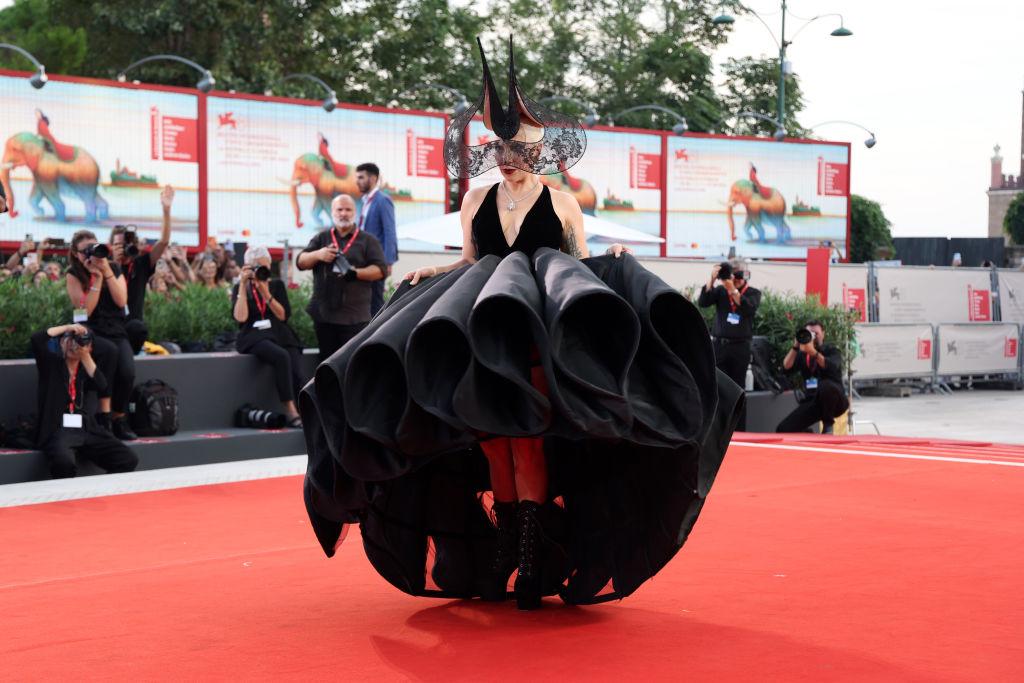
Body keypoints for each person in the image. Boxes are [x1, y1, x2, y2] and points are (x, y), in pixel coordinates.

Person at [300, 37, 741, 611]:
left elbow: (576, 271)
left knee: (527, 445)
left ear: (538, 151)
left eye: (518, 148)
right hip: (480, 339)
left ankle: (529, 563)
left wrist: (614, 266)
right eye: (500, 146)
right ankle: (504, 552)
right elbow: (469, 262)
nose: (507, 156)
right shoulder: (475, 198)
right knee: (492, 448)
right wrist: (430, 272)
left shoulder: (561, 202)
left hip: (536, 340)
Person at [31, 324, 138, 478]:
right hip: (58, 429)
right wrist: (68, 327)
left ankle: (99, 490)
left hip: (85, 427)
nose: (73, 344)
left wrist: (85, 355)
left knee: (127, 459)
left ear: (90, 348)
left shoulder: (85, 370)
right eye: (68, 339)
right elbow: (37, 339)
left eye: (79, 341)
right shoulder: (51, 364)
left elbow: (102, 385)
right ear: (61, 343)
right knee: (64, 463)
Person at [296, 194, 387, 362]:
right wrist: (318, 254)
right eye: (339, 209)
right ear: (332, 212)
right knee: (326, 364)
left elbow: (381, 270)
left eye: (348, 209)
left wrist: (355, 273)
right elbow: (300, 262)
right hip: (324, 316)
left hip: (355, 317)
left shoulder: (368, 240)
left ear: (355, 213)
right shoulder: (321, 238)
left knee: (351, 364)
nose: (343, 213)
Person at [65, 230, 137, 440]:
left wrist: (105, 270)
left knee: (127, 372)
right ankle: (103, 418)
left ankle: (119, 417)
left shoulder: (112, 267)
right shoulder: (74, 273)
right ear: (76, 253)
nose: (91, 253)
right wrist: (96, 279)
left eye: (94, 247)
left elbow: (121, 301)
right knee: (110, 353)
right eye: (85, 250)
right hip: (90, 330)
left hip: (115, 329)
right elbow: (84, 311)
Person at [231, 246, 305, 428]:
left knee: (295, 367)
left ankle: (306, 409)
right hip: (254, 335)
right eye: (258, 267)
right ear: (248, 267)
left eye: (266, 267)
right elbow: (241, 318)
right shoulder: (240, 287)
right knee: (281, 356)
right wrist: (243, 285)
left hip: (279, 332)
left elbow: (283, 316)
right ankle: (290, 410)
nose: (262, 271)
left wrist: (265, 292)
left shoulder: (276, 285)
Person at [109, 185, 174, 354]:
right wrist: (115, 264)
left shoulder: (141, 264)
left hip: (133, 328)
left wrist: (166, 210)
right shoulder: (104, 267)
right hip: (109, 327)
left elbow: (163, 242)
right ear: (111, 246)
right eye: (118, 245)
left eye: (126, 245)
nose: (123, 248)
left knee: (137, 328)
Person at [776, 319, 849, 434]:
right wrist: (796, 346)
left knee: (825, 385)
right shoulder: (803, 355)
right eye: (809, 333)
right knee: (783, 429)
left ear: (823, 334)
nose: (813, 337)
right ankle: (808, 434)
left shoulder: (831, 350)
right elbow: (786, 367)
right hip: (814, 402)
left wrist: (813, 352)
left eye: (816, 334)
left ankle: (828, 426)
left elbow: (831, 366)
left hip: (835, 402)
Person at [697, 259, 762, 388]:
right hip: (720, 346)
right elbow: (703, 302)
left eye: (738, 274)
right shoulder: (721, 290)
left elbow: (748, 308)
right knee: (718, 386)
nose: (734, 278)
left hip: (740, 347)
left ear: (745, 275)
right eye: (731, 274)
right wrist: (712, 279)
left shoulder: (753, 292)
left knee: (737, 387)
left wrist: (733, 289)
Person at [355, 162, 397, 316]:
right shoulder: (365, 201)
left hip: (376, 262)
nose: (357, 181)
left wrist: (388, 262)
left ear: (373, 178)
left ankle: (378, 330)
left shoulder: (382, 200)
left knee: (375, 304)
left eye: (361, 177)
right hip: (363, 261)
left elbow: (389, 232)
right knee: (364, 302)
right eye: (357, 178)